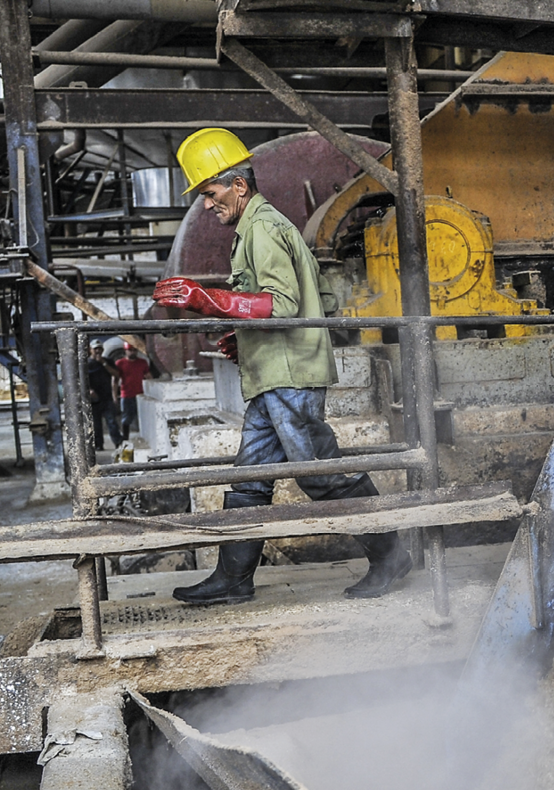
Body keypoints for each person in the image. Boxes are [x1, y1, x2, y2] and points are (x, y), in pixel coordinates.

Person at [152, 127, 410, 606]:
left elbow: (282, 305)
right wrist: (242, 338)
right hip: (273, 373)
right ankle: (233, 578)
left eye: (210, 193)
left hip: (290, 376)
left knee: (320, 475)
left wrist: (208, 300)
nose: (208, 205)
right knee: (249, 480)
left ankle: (391, 554)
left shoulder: (264, 229)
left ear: (239, 186)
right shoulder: (252, 230)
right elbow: (264, 307)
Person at [113, 342, 156, 444]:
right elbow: (115, 380)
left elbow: (148, 376)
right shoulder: (120, 363)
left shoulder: (142, 363)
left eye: (134, 350)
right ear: (125, 351)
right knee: (126, 418)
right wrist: (114, 396)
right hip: (127, 394)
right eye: (130, 350)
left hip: (140, 394)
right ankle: (125, 438)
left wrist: (153, 389)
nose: (132, 352)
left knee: (142, 417)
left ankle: (144, 436)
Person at [85, 341, 116, 450]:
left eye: (99, 349)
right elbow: (80, 380)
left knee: (112, 421)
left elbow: (116, 374)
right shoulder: (86, 364)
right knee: (96, 424)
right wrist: (88, 391)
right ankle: (98, 445)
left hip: (106, 397)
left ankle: (117, 442)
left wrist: (103, 363)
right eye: (95, 349)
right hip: (94, 399)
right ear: (90, 350)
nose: (98, 351)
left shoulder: (108, 361)